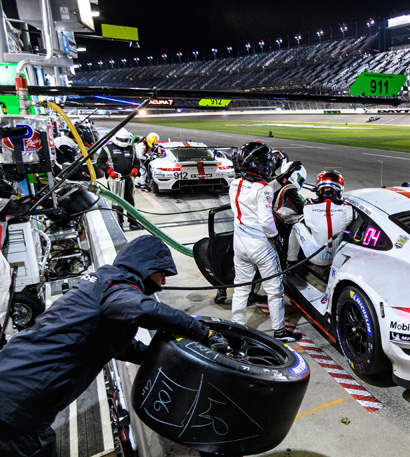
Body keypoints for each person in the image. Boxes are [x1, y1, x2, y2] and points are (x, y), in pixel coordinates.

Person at [0, 235, 227, 457]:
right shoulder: (118, 289)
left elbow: (117, 346)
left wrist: (157, 357)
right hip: (18, 401)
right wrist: (202, 332)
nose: (164, 282)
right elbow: (143, 309)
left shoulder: (102, 283)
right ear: (147, 268)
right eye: (162, 274)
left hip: (13, 376)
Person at [229, 142, 301, 342]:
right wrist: (276, 237)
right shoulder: (263, 189)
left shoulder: (235, 183)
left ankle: (237, 325)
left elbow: (263, 187)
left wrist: (281, 179)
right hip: (260, 245)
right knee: (274, 289)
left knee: (241, 287)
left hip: (239, 242)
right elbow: (266, 220)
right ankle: (279, 331)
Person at [287, 170, 354, 268]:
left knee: (296, 226)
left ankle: (291, 261)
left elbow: (309, 224)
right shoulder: (347, 208)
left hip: (316, 257)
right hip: (338, 257)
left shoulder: (309, 207)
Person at [97, 128, 142, 231]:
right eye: (121, 140)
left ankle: (133, 222)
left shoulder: (131, 148)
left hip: (128, 178)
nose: (123, 142)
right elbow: (100, 162)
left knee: (130, 201)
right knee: (117, 203)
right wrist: (109, 171)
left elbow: (136, 161)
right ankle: (119, 224)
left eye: (125, 140)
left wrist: (135, 169)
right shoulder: (107, 149)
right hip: (115, 179)